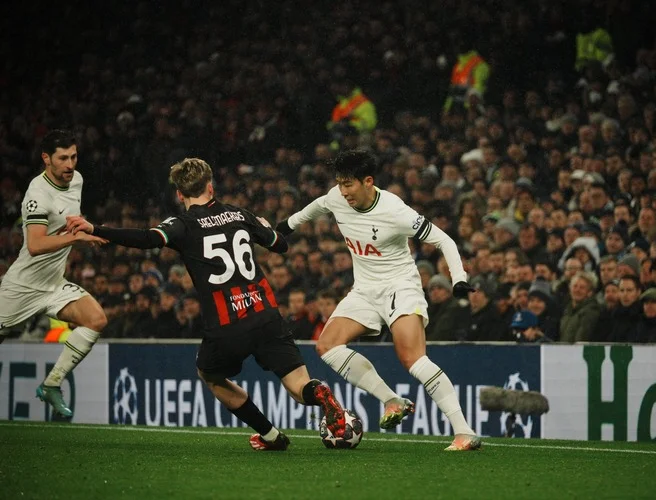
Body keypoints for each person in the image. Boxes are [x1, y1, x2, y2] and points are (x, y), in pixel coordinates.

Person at [66, 158, 346, 451]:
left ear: (179, 194)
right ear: (211, 187)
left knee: (209, 374)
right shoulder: (239, 213)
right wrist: (264, 227)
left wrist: (97, 228)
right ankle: (319, 392)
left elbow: (147, 239)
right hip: (266, 315)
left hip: (228, 325)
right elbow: (280, 245)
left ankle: (271, 435)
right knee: (298, 385)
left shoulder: (182, 224)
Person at [276, 149, 481, 451]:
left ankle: (464, 431)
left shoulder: (395, 211)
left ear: (368, 181)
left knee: (412, 359)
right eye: (340, 184)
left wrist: (459, 278)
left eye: (349, 185)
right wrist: (284, 228)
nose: (343, 192)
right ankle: (392, 401)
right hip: (364, 290)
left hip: (401, 287)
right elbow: (314, 208)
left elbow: (444, 240)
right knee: (327, 346)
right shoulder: (336, 198)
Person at [0, 130, 109, 420]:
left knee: (96, 319)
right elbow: (35, 245)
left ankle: (51, 384)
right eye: (63, 158)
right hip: (23, 286)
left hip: (53, 284)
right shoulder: (37, 194)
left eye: (73, 156)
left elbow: (70, 218)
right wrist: (77, 239)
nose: (70, 164)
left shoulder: (77, 180)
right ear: (46, 159)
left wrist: (87, 228)